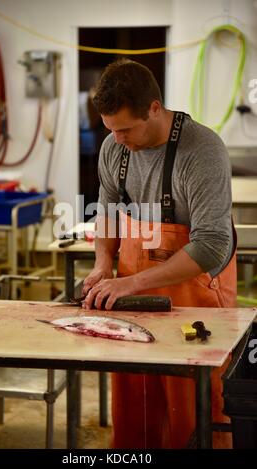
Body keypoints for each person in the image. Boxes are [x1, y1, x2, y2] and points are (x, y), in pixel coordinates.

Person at [82, 58, 237, 449]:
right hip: (133, 301)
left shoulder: (202, 150)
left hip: (196, 301)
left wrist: (130, 282)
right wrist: (103, 264)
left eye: (125, 129)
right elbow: (106, 209)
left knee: (194, 412)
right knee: (137, 407)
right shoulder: (113, 148)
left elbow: (212, 244)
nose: (117, 140)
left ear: (154, 108)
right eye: (110, 130)